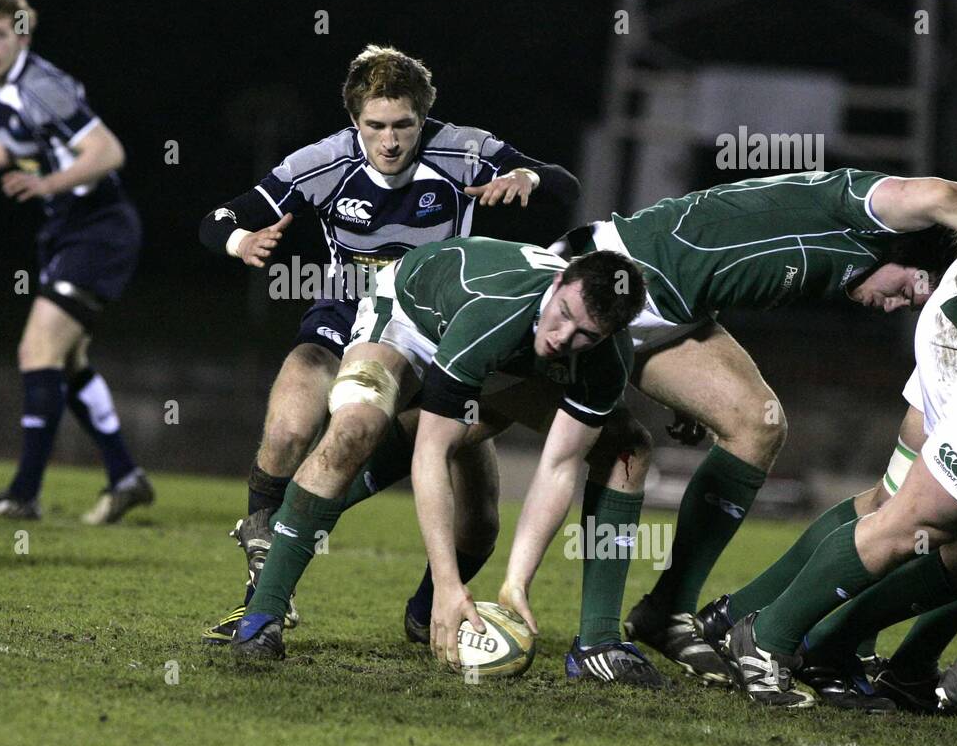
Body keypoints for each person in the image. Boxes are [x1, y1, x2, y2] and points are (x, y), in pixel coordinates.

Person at [197, 44, 581, 643]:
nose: (391, 141)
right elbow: (219, 218)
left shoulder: (461, 150)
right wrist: (239, 243)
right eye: (375, 126)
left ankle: (426, 609)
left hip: (446, 330)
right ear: (355, 121)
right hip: (351, 316)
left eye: (404, 125)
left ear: (423, 119)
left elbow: (562, 183)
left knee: (478, 523)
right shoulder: (322, 162)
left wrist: (524, 176)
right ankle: (263, 568)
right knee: (297, 428)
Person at [548, 170, 957, 684]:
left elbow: (734, 254)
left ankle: (669, 613)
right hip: (605, 281)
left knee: (757, 425)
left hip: (668, 314)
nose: (898, 304)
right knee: (603, 446)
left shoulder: (849, 259)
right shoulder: (865, 209)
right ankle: (589, 636)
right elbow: (942, 194)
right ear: (902, 249)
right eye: (907, 288)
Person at [230, 236, 660, 687]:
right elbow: (431, 452)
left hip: (494, 352)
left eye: (585, 335)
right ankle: (263, 615)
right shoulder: (495, 310)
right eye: (564, 314)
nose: (562, 337)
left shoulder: (606, 363)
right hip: (408, 313)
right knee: (353, 431)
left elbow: (558, 466)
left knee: (494, 520)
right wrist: (448, 583)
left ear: (609, 336)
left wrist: (516, 583)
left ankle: (575, 641)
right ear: (558, 282)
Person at [0, 0, 150, 523]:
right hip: (70, 228)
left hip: (99, 227)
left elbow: (108, 151)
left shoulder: (41, 85)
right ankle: (125, 476)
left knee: (37, 351)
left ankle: (24, 495)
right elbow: (15, 146)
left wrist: (47, 186)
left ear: (21, 36)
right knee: (67, 361)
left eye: (0, 34)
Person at [710, 239, 957, 709]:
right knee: (913, 520)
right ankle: (769, 637)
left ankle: (868, 656)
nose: (885, 301)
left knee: (948, 539)